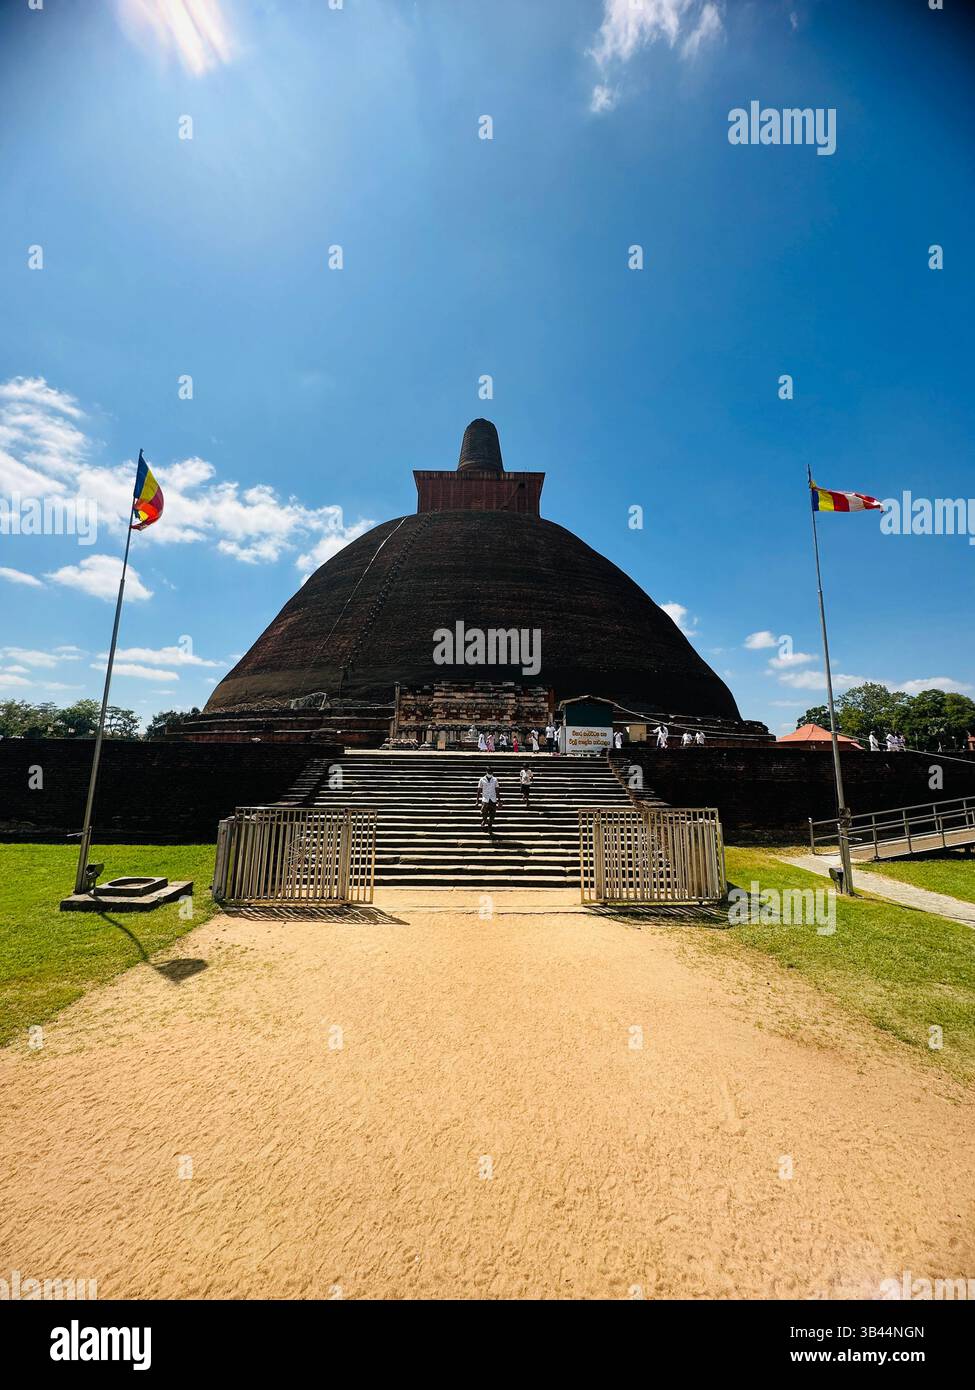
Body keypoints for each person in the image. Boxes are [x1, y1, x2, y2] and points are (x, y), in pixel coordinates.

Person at [476, 766, 501, 834]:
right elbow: (479, 790)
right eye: (489, 772)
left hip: (493, 799)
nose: (490, 773)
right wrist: (477, 801)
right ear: (486, 772)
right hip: (485, 799)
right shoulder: (482, 779)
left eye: (491, 772)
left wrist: (499, 801)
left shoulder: (495, 780)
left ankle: (489, 828)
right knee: (483, 813)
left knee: (492, 815)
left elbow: (497, 790)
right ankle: (484, 820)